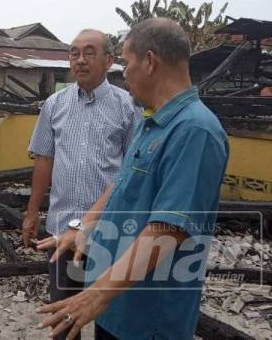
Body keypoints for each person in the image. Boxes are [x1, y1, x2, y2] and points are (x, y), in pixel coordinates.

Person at [37, 18, 229, 340]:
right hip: (116, 305)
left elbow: (168, 228)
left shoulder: (195, 131)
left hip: (147, 316)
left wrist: (96, 294)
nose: (123, 73)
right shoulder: (150, 122)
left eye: (126, 62)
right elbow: (119, 185)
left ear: (150, 62)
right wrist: (83, 227)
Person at [24, 29, 141, 339]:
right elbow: (44, 159)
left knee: (110, 318)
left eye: (89, 52)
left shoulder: (127, 106)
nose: (80, 60)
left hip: (109, 234)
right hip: (63, 233)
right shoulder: (54, 104)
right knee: (64, 319)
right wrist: (32, 211)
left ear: (109, 61)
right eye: (74, 53)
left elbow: (134, 168)